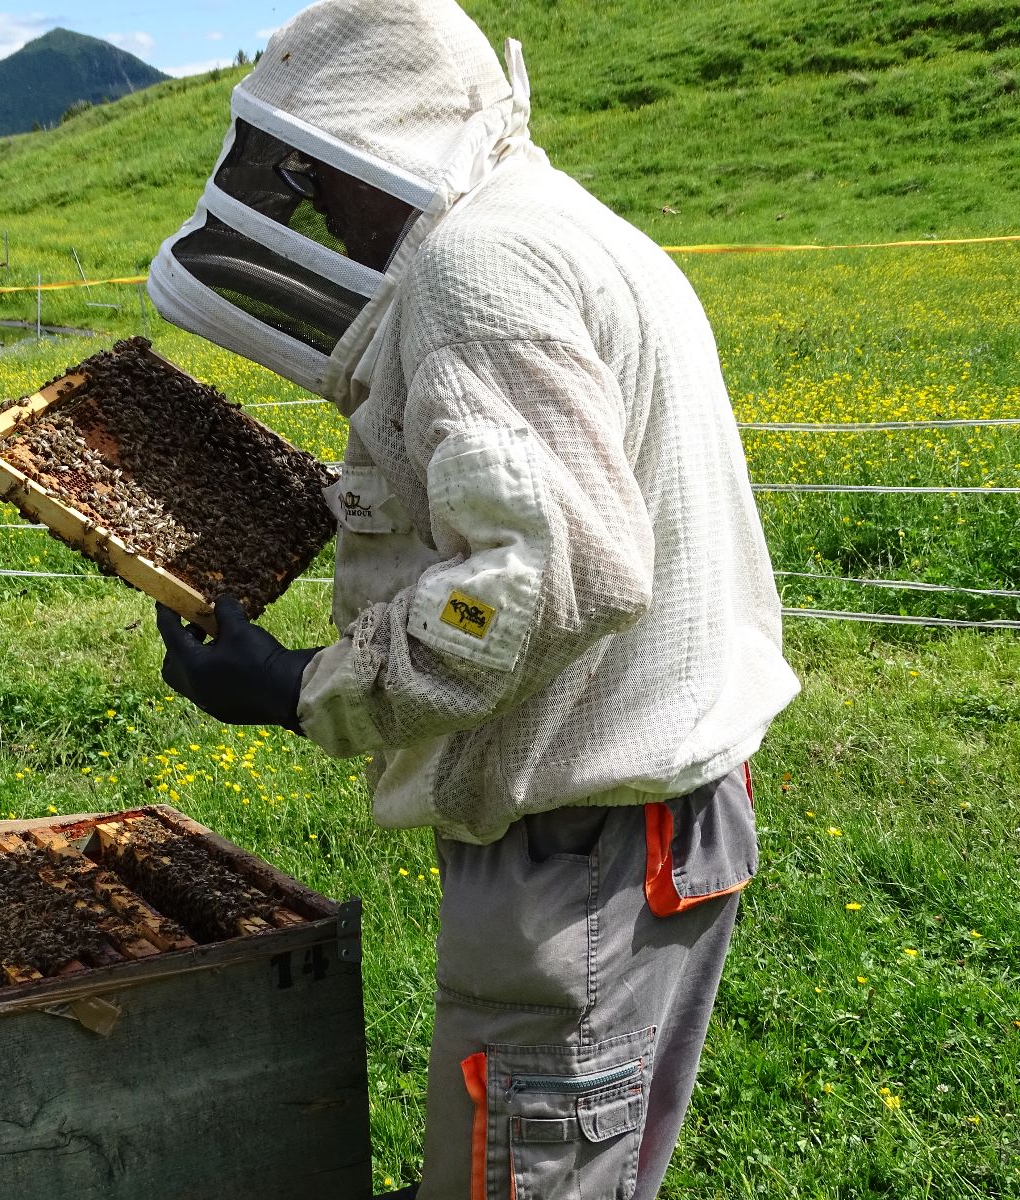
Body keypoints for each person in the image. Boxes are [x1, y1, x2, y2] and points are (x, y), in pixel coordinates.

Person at [147, 1, 801, 1196]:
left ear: (379, 150)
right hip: (651, 826)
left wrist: (304, 686)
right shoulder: (552, 222)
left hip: (580, 854)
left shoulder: (471, 264)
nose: (314, 215)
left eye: (318, 178)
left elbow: (549, 573)